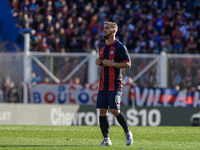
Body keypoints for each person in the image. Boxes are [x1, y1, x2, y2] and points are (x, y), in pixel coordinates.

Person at [95, 21, 133, 146]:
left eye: (107, 28)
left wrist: (113, 63)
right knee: (102, 111)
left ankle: (127, 132)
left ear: (114, 31)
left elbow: (128, 64)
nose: (104, 30)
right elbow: (102, 61)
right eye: (104, 28)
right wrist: (99, 62)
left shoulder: (120, 47)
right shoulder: (101, 46)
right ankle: (106, 139)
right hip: (103, 83)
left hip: (115, 83)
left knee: (114, 110)